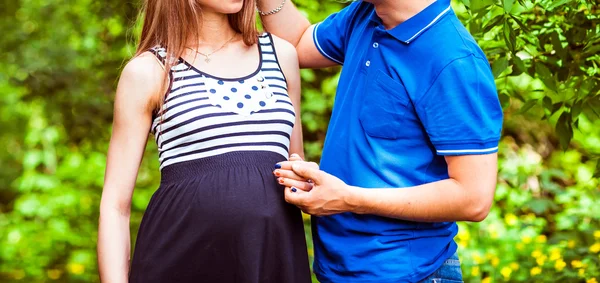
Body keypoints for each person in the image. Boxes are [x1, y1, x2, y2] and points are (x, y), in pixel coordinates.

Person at [262, 0, 504, 282]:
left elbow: (473, 198)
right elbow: (297, 44)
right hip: (338, 270)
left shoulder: (453, 59)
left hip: (410, 274)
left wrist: (348, 199)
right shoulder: (368, 13)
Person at [97, 0, 311, 282]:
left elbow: (297, 170)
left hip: (271, 258)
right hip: (179, 262)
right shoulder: (148, 71)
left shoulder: (280, 55)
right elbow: (115, 206)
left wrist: (308, 181)